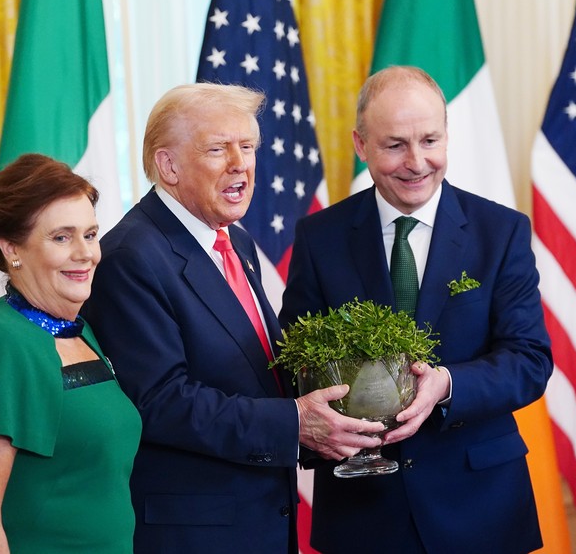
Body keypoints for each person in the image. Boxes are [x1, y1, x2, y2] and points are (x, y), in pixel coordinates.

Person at [81, 83, 384, 554]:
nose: (240, 163)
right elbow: (160, 402)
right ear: (168, 166)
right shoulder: (131, 256)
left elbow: (256, 375)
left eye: (248, 147)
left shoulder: (235, 241)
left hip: (259, 520)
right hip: (196, 533)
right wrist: (294, 423)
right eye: (218, 149)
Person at [279, 66, 554, 553]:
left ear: (447, 135)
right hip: (364, 514)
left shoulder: (502, 231)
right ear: (361, 145)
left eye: (430, 140)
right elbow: (295, 363)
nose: (416, 162)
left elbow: (529, 361)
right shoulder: (319, 238)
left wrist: (446, 384)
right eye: (395, 145)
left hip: (480, 507)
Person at [0, 154, 141, 553]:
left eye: (90, 235)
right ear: (12, 248)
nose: (85, 253)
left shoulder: (79, 331)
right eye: (62, 238)